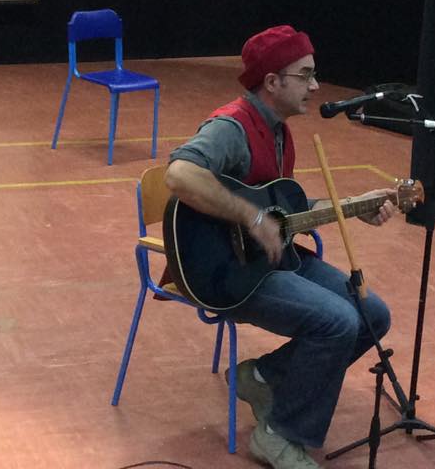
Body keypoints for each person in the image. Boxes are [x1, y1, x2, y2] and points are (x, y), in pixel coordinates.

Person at [164, 25, 397, 469]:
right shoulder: (231, 127)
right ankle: (278, 435)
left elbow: (286, 208)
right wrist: (251, 218)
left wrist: (353, 207)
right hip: (226, 271)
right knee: (337, 322)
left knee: (373, 313)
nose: (315, 85)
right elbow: (179, 174)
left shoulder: (278, 131)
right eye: (305, 75)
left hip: (270, 260)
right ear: (272, 81)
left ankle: (262, 375)